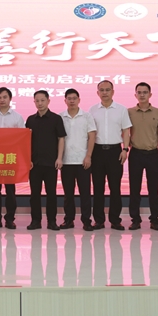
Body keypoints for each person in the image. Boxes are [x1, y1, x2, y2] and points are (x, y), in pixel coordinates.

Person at [88, 80, 132, 231]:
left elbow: (126, 131)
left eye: (107, 90)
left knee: (115, 187)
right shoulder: (92, 110)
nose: (105, 92)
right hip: (97, 152)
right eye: (102, 90)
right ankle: (99, 220)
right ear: (97, 92)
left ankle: (115, 220)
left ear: (113, 92)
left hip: (115, 152)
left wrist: (125, 149)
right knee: (98, 188)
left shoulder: (121, 109)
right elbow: (90, 133)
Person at [0, 87, 25, 229]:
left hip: (10, 159)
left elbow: (22, 139)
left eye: (5, 97)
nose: (2, 100)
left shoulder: (17, 117)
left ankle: (9, 219)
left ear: (10, 99)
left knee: (10, 191)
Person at [25, 90, 66, 231]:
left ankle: (52, 221)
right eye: (37, 101)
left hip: (51, 163)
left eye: (42, 100)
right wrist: (28, 159)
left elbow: (61, 139)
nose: (40, 103)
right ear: (34, 102)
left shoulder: (56, 119)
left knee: (51, 194)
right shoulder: (30, 120)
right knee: (34, 194)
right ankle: (35, 221)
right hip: (34, 164)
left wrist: (59, 158)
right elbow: (26, 141)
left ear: (48, 101)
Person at [127, 82, 158, 231]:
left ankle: (155, 220)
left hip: (152, 154)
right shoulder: (129, 112)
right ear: (135, 95)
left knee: (154, 190)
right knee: (134, 189)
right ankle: (135, 219)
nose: (142, 95)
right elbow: (125, 132)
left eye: (145, 92)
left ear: (150, 94)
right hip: (136, 154)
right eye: (139, 92)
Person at [59, 88, 96, 232]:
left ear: (79, 100)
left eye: (74, 98)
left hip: (83, 161)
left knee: (85, 193)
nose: (72, 101)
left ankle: (86, 220)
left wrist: (88, 156)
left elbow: (92, 136)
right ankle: (69, 220)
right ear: (65, 100)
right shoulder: (60, 117)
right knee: (68, 194)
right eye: (69, 98)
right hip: (66, 161)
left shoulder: (87, 116)